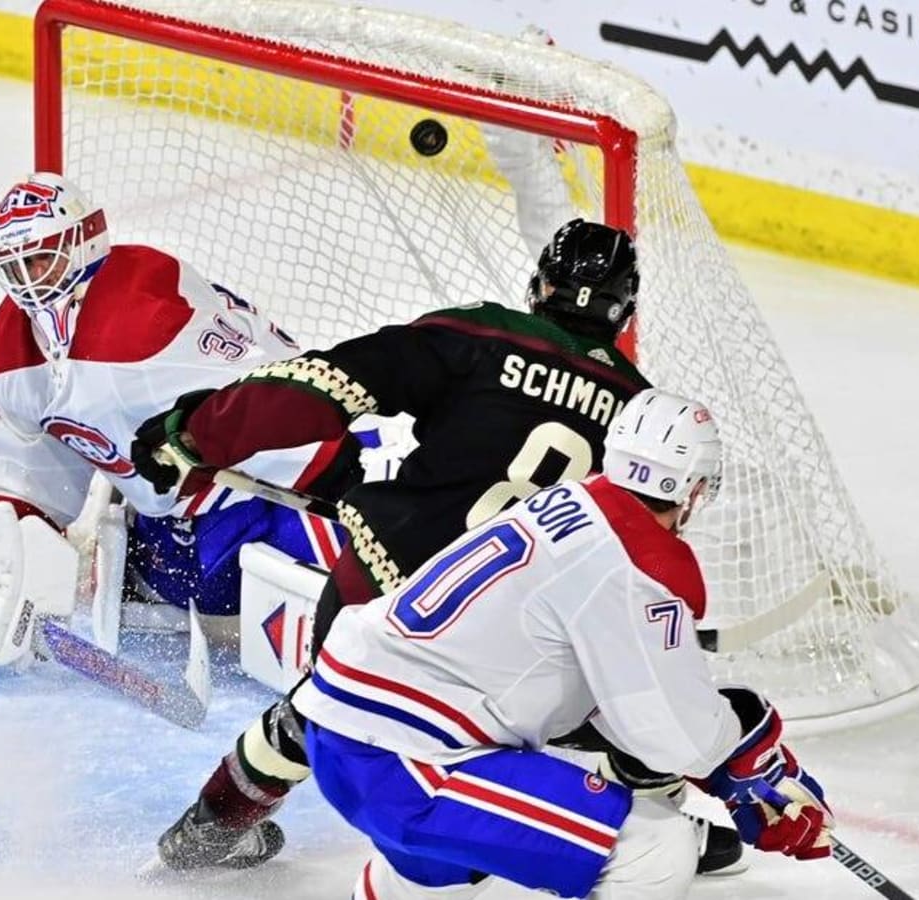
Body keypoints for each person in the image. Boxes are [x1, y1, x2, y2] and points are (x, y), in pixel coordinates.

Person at [132, 220, 740, 874]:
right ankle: (649, 814)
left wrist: (195, 434)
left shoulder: (482, 335)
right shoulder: (637, 410)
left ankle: (206, 830)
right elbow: (638, 548)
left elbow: (327, 384)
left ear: (540, 286)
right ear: (625, 313)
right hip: (517, 615)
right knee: (603, 682)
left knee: (325, 707)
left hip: (392, 569)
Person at [296, 389, 835, 899]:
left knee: (438, 873)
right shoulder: (638, 564)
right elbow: (675, 738)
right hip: (410, 758)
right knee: (653, 847)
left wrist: (733, 758)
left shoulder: (571, 502)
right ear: (693, 489)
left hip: (352, 729)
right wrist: (747, 754)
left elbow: (616, 697)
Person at [0, 172, 358, 638]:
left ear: (85, 241)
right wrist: (8, 546)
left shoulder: (146, 311)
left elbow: (275, 400)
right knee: (185, 579)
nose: (29, 281)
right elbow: (31, 463)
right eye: (17, 267)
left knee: (348, 598)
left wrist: (196, 442)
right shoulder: (14, 345)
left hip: (271, 495)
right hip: (167, 523)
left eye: (40, 261)